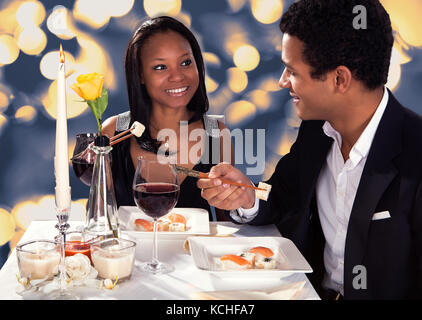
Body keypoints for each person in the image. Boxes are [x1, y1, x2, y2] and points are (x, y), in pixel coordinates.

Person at [198, 0, 422, 299]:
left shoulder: (417, 153)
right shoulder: (317, 131)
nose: (281, 82)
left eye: (292, 71)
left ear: (339, 79)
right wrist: (248, 196)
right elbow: (281, 199)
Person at [102, 16, 232, 221]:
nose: (178, 76)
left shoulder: (218, 134)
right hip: (127, 254)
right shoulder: (112, 132)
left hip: (194, 253)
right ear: (140, 75)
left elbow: (227, 225)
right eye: (161, 67)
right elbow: (98, 219)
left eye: (186, 62)